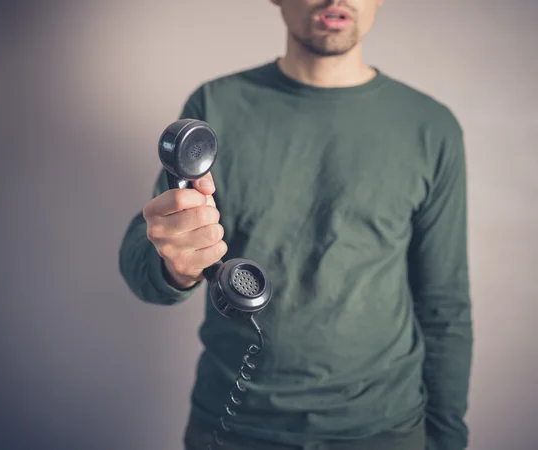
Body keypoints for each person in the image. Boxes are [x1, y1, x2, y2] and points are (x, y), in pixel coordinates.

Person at [118, 0, 473, 449]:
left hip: (384, 429)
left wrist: (446, 440)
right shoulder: (216, 106)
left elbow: (445, 306)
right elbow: (141, 266)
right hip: (234, 427)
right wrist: (176, 264)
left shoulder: (431, 128)